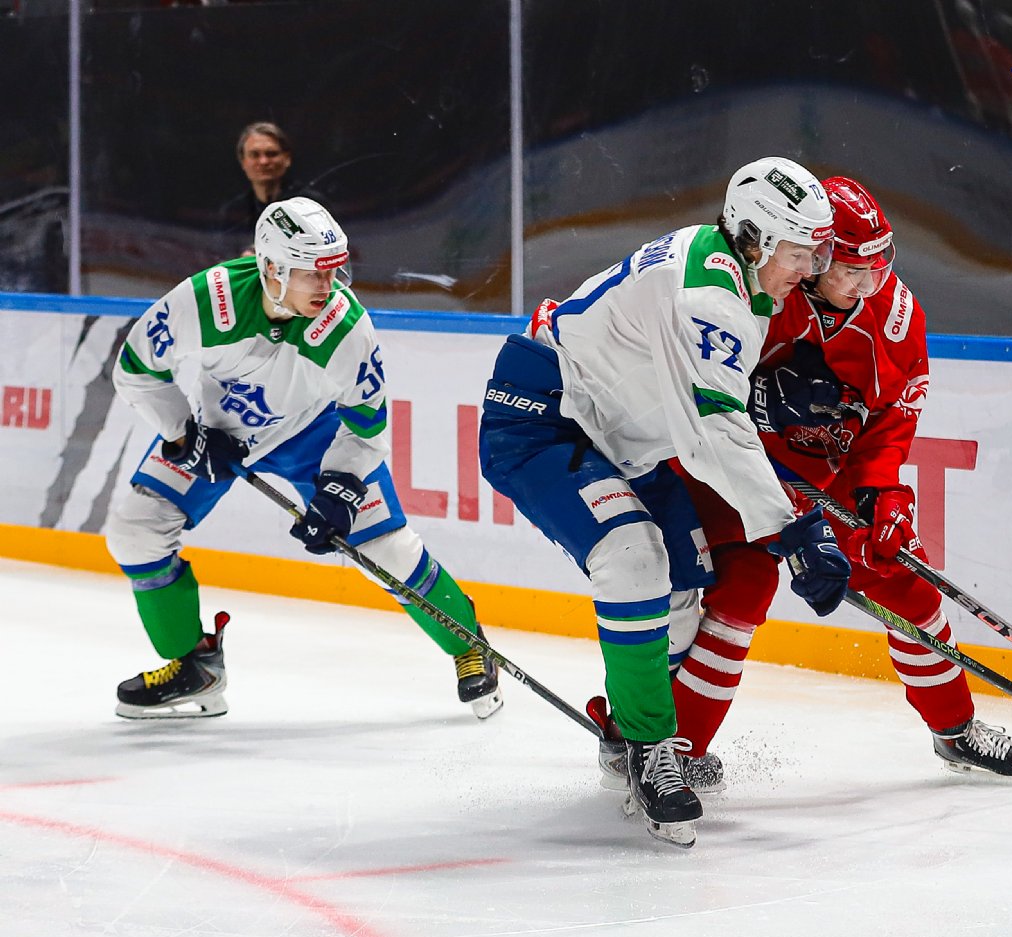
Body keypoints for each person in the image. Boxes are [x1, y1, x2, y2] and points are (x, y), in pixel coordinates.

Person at [606, 176, 1012, 792]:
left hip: (824, 476)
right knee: (744, 589)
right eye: (851, 270)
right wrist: (761, 405)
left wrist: (881, 491)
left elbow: (892, 418)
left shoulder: (895, 316)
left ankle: (956, 729)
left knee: (907, 583)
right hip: (733, 472)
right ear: (815, 258)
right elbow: (699, 393)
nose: (867, 284)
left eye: (877, 268)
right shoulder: (759, 291)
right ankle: (673, 754)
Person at [477, 156, 852, 847]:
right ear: (755, 238)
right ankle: (652, 751)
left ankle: (627, 731)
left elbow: (705, 413)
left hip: (617, 439)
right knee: (634, 558)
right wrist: (791, 526)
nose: (809, 269)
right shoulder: (709, 298)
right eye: (800, 252)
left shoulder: (735, 277)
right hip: (541, 419)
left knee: (683, 586)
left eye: (816, 252)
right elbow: (713, 431)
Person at [106, 197, 502, 723]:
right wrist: (183, 434)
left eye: (333, 271)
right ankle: (194, 667)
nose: (327, 286)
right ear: (271, 268)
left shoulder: (345, 328)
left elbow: (366, 426)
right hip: (218, 432)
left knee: (386, 548)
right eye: (312, 273)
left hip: (315, 435)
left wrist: (340, 486)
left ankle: (468, 644)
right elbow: (136, 366)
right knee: (135, 529)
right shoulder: (206, 300)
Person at [216, 123, 319, 255]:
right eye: (254, 155)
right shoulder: (234, 211)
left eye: (271, 154)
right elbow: (224, 258)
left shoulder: (310, 205)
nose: (263, 161)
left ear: (287, 158)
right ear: (243, 161)